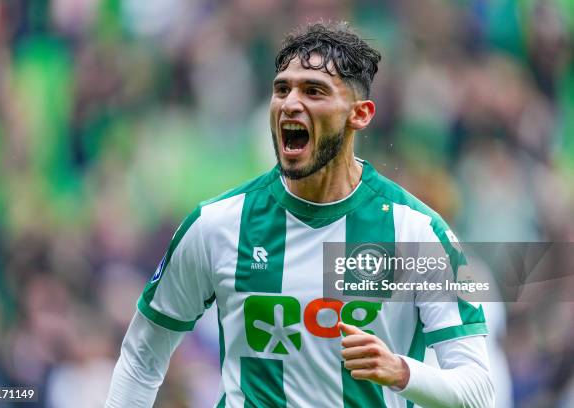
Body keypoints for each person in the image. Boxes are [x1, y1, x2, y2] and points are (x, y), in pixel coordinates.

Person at [106, 22, 495, 407]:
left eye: (314, 91)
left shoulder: (419, 234)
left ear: (359, 114)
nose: (291, 103)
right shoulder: (216, 225)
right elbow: (141, 358)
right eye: (282, 89)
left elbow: (479, 392)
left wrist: (401, 372)